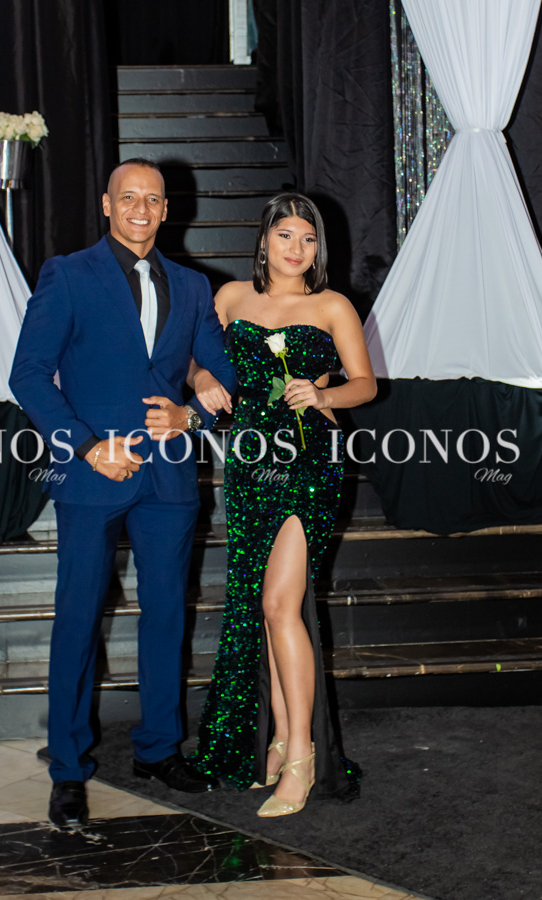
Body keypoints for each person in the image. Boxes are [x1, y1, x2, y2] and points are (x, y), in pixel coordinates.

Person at [9, 158, 237, 828]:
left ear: (167, 209)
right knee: (79, 617)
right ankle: (68, 767)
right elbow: (28, 374)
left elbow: (224, 374)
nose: (141, 209)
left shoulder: (193, 285)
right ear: (107, 205)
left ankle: (159, 748)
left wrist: (192, 415)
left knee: (166, 614)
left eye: (152, 199)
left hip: (169, 476)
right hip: (91, 474)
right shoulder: (68, 274)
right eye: (128, 197)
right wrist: (84, 445)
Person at [189, 192, 377, 817]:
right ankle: (276, 738)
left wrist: (324, 397)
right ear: (265, 239)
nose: (297, 249)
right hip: (249, 466)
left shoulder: (331, 305)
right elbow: (193, 357)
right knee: (263, 606)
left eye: (308, 238)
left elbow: (365, 383)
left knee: (278, 602)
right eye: (286, 235)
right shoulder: (229, 298)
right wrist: (202, 378)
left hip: (311, 463)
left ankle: (302, 754)